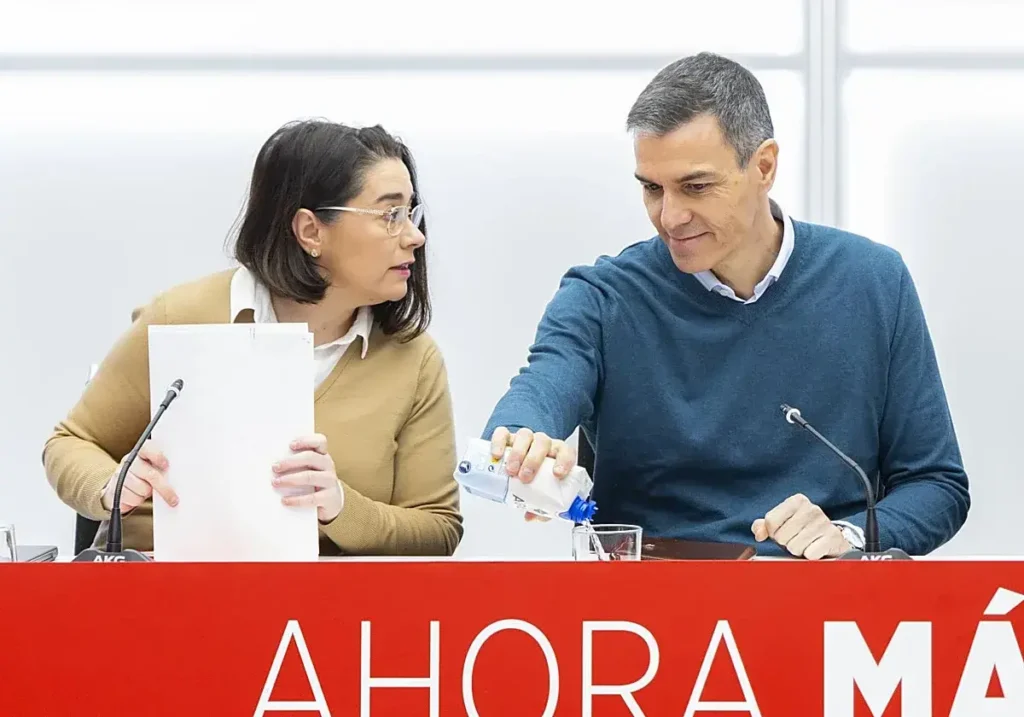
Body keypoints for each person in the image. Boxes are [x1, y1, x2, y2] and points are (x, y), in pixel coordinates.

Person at [483, 52, 970, 559]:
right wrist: (521, 442)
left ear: (763, 167)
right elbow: (540, 391)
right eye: (652, 189)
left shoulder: (873, 282)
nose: (669, 216)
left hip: (819, 608)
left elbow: (936, 485)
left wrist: (846, 535)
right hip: (646, 615)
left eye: (695, 187)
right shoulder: (603, 296)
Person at [43, 119, 463, 556]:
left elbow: (437, 529)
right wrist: (111, 486)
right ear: (310, 231)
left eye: (410, 213)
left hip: (318, 614)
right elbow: (71, 443)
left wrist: (341, 508)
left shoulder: (413, 358)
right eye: (390, 215)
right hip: (157, 596)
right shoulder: (181, 316)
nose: (415, 236)